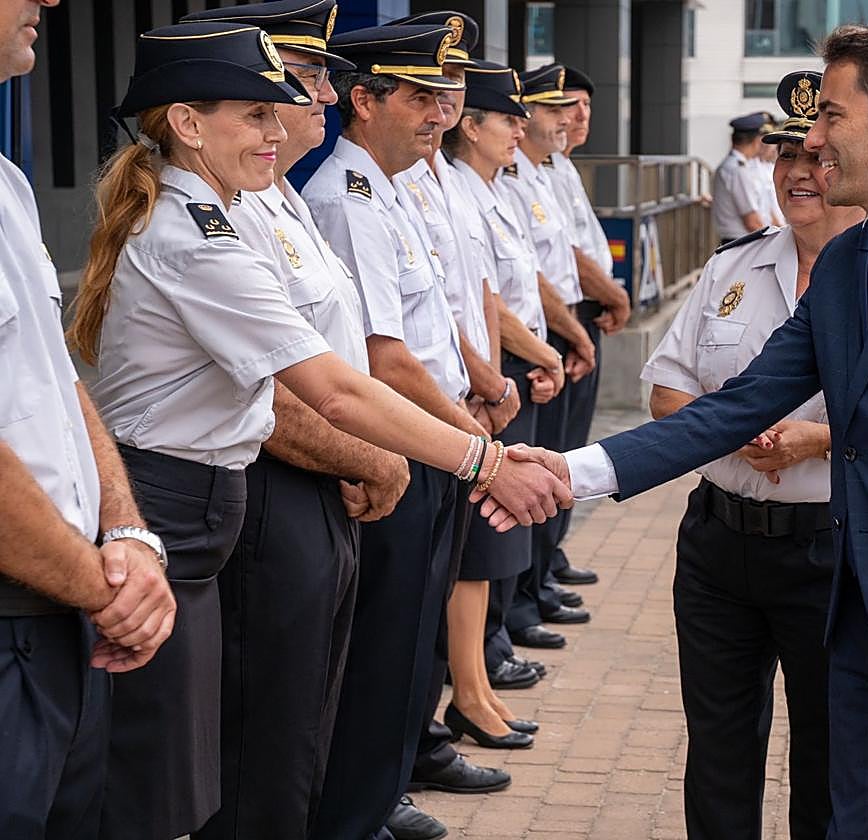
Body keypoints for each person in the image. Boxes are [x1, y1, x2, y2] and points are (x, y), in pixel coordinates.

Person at [509, 20, 868, 839]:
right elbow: (736, 406)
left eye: (832, 117)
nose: (811, 141)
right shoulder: (847, 265)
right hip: (859, 633)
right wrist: (573, 472)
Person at [67, 22, 569, 840]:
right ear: (189, 124)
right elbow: (333, 388)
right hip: (175, 497)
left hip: (211, 496)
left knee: (257, 739)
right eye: (257, 114)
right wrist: (484, 461)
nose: (284, 125)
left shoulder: (231, 209)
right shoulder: (195, 235)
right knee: (190, 766)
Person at [173, 4, 407, 839]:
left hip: (322, 476)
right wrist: (401, 457)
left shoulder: (279, 201)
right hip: (276, 482)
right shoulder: (218, 217)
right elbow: (290, 394)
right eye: (287, 88)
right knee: (263, 736)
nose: (316, 101)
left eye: (301, 88)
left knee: (307, 715)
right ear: (195, 121)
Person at [300, 24, 516, 840]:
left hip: (436, 434)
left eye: (442, 98)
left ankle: (378, 797)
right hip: (405, 444)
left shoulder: (390, 188)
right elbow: (385, 360)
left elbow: (434, 322)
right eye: (420, 97)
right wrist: (475, 441)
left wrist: (476, 392)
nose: (440, 115)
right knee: (383, 648)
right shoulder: (347, 199)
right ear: (365, 99)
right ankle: (355, 811)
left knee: (411, 637)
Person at [644, 71, 862, 840]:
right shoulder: (731, 269)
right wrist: (730, 430)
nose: (799, 173)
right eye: (783, 155)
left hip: (831, 553)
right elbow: (665, 393)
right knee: (719, 754)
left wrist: (822, 439)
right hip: (719, 547)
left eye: (817, 156)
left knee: (832, 761)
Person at [0, 1, 175, 834]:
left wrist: (127, 534)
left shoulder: (6, 183)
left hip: (57, 606)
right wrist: (105, 592)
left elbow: (54, 381)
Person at [433, 58, 564, 755]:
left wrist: (504, 378)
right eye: (507, 117)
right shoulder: (446, 186)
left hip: (487, 384)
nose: (522, 127)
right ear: (471, 127)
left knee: (484, 549)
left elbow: (487, 295)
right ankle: (468, 694)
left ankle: (475, 688)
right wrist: (494, 379)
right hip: (460, 392)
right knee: (472, 553)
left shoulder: (479, 189)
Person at [495, 62, 595, 656]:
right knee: (522, 485)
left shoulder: (549, 172)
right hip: (529, 348)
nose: (567, 120)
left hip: (557, 333)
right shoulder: (502, 181)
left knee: (557, 461)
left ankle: (536, 580)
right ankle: (518, 606)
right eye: (555, 109)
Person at [540, 64, 628, 595]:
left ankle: (547, 559)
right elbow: (565, 258)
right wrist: (614, 295)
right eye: (563, 106)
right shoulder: (534, 171)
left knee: (569, 446)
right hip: (558, 322)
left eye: (583, 108)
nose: (576, 117)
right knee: (554, 448)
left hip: (576, 320)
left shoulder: (562, 169)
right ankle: (534, 577)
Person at [712, 111, 772, 245]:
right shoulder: (737, 170)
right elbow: (751, 221)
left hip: (742, 242)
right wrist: (771, 245)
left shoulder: (735, 166)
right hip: (741, 243)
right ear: (757, 141)